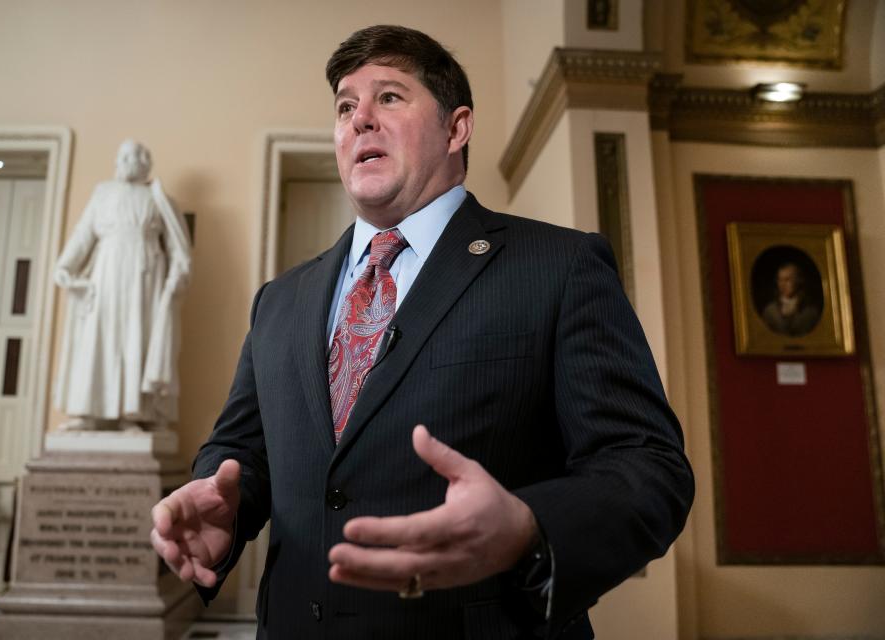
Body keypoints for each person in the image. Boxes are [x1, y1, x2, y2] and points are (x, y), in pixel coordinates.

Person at [151, 25, 692, 639]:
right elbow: (244, 449)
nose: (360, 121)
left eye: (389, 97)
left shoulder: (558, 268)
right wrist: (222, 497)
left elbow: (648, 468)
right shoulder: (280, 301)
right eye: (346, 107)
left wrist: (527, 526)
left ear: (456, 128)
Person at [53, 140, 192, 430]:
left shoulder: (158, 198)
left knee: (137, 338)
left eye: (138, 155)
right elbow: (83, 234)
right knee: (100, 337)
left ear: (147, 162)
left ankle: (135, 414)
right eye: (126, 155)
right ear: (117, 161)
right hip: (107, 273)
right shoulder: (103, 193)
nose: (132, 159)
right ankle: (88, 412)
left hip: (146, 278)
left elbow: (179, 245)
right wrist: (65, 266)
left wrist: (178, 275)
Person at [760, 261, 821, 336]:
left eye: (787, 280)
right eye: (780, 280)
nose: (782, 284)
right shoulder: (770, 311)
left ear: (798, 280)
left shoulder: (810, 311)